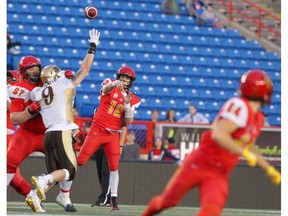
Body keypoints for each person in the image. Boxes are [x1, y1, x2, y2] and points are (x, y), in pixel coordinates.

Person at [142, 69, 281, 216]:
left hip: (219, 172)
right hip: (200, 163)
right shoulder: (240, 107)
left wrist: (269, 169)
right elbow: (219, 135)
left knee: (212, 211)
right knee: (168, 201)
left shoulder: (258, 118)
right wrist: (244, 152)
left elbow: (250, 148)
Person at [29, 29, 100, 212]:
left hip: (48, 134)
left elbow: (37, 93)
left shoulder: (37, 92)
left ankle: (36, 196)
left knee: (58, 173)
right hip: (62, 131)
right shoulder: (64, 82)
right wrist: (92, 47)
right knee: (70, 170)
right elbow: (85, 69)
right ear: (56, 74)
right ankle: (44, 180)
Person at [77, 65, 141, 210]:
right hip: (98, 130)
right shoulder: (110, 85)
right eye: (122, 78)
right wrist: (113, 84)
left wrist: (126, 104)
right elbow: (105, 90)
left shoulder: (132, 98)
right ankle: (64, 190)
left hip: (113, 134)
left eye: (127, 79)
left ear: (130, 81)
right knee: (84, 162)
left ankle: (110, 198)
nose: (124, 80)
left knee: (111, 167)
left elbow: (128, 121)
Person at [7, 55, 47, 213]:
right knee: (9, 167)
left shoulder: (45, 84)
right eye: (6, 78)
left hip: (43, 132)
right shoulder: (17, 89)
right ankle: (32, 195)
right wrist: (31, 109)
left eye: (11, 78)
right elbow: (14, 115)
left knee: (67, 165)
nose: (8, 80)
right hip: (24, 132)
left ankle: (64, 196)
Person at [91, 118, 127, 207]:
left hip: (111, 143)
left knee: (106, 173)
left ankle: (103, 198)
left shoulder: (117, 109)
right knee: (100, 173)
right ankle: (108, 198)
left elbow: (123, 128)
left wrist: (120, 144)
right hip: (98, 144)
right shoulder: (97, 110)